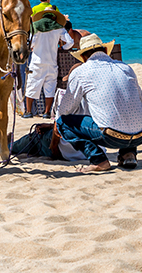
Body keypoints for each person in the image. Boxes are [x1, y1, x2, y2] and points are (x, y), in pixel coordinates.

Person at [55, 34, 142, 173]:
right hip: (139, 135)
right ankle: (128, 154)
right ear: (106, 51)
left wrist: (56, 123)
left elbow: (65, 110)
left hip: (110, 136)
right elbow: (139, 99)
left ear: (83, 57)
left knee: (62, 122)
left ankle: (98, 160)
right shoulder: (126, 68)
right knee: (126, 108)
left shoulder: (81, 72)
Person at [23, 7, 76, 119]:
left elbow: (30, 43)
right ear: (53, 16)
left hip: (37, 62)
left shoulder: (36, 26)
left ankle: (28, 112)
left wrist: (33, 47)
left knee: (32, 86)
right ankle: (47, 113)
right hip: (52, 62)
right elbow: (71, 42)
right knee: (50, 88)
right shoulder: (58, 28)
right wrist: (62, 47)